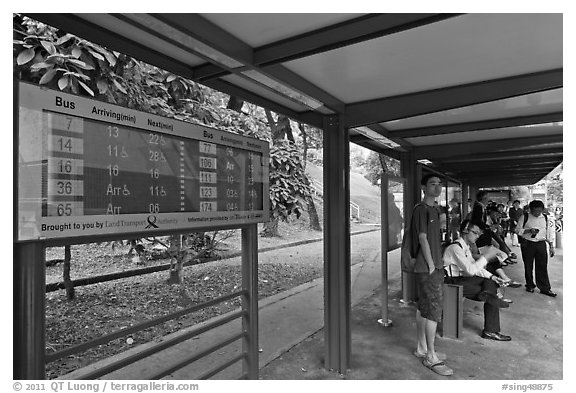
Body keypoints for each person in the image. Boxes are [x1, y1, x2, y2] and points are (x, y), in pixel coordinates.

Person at [443, 220, 513, 341]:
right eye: (475, 233)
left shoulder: (465, 247)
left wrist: (492, 276)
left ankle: (489, 294)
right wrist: (486, 257)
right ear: (465, 231)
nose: (477, 236)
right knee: (492, 293)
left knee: (491, 282)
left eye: (478, 234)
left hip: (463, 279)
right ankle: (491, 330)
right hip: (452, 282)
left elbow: (475, 268)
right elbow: (470, 270)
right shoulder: (455, 248)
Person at [412, 174, 453, 376]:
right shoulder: (422, 210)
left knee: (424, 307)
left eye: (439, 184)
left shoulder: (435, 210)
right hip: (428, 267)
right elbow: (422, 238)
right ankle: (430, 355)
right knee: (433, 311)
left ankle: (421, 348)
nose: (437, 188)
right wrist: (430, 264)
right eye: (432, 184)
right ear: (423, 187)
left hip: (433, 265)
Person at [516, 200, 557, 297]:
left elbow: (549, 233)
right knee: (528, 265)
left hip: (541, 244)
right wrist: (528, 230)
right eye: (535, 211)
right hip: (527, 244)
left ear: (542, 210)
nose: (537, 213)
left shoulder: (546, 218)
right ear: (530, 210)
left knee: (542, 266)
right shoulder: (524, 217)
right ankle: (530, 285)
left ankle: (545, 288)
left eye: (539, 211)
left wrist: (551, 246)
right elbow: (517, 230)